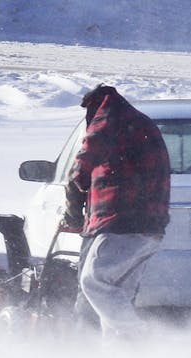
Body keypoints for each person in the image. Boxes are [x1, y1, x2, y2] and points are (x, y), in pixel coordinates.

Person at [60, 84, 171, 338]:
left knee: (93, 282)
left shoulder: (109, 116)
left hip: (122, 222)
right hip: (152, 227)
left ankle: (138, 335)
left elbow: (80, 169)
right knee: (117, 296)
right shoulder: (142, 123)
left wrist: (73, 210)